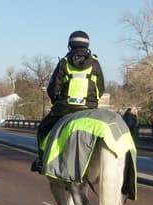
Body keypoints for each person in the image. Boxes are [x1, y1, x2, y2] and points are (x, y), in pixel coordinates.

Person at [32, 30, 105, 172]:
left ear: (70, 45)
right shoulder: (95, 63)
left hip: (64, 109)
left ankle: (41, 160)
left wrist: (56, 101)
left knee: (43, 129)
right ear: (87, 45)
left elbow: (53, 89)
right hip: (89, 110)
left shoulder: (64, 63)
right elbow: (101, 89)